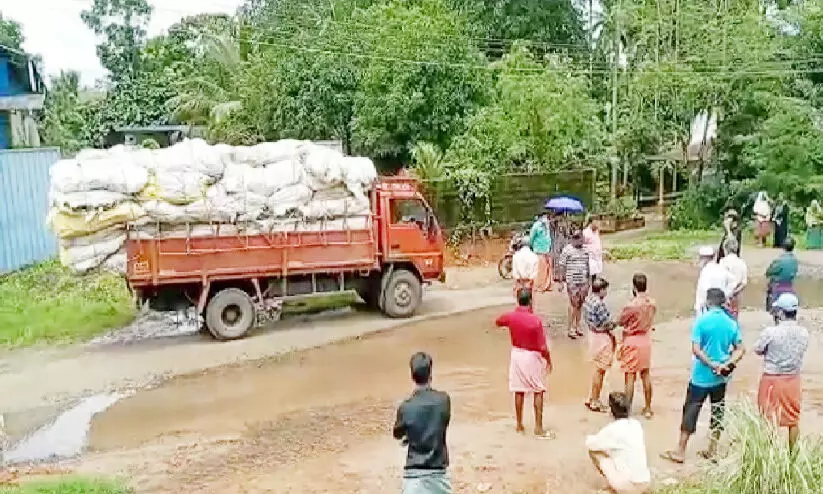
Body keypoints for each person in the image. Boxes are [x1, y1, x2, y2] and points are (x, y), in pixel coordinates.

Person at [661, 288, 745, 464]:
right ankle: (712, 450)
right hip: (721, 378)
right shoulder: (731, 323)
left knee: (691, 410)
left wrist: (711, 364)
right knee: (717, 411)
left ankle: (680, 451)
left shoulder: (702, 321)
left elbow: (696, 349)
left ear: (708, 302)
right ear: (722, 303)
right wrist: (726, 364)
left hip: (701, 376)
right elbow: (741, 349)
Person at [495, 289, 554, 438]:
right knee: (538, 389)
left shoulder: (511, 317)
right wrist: (548, 360)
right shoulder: (535, 321)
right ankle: (538, 428)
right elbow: (542, 347)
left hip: (516, 354)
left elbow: (498, 321)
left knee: (518, 390)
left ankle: (519, 425)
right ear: (531, 301)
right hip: (532, 356)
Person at [754, 293, 809, 451]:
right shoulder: (803, 333)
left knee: (768, 417)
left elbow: (758, 349)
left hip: (771, 378)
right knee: (792, 419)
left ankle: (770, 454)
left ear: (780, 312)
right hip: (792, 378)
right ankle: (792, 454)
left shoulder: (771, 332)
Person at [393, 352, 452, 494]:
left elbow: (397, 434)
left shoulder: (406, 407)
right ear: (430, 374)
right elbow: (443, 423)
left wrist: (409, 436)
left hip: (413, 474)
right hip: (438, 473)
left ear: (412, 376)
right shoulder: (443, 400)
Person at [586, 392, 652, 494]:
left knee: (595, 452)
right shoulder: (636, 424)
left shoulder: (612, 429)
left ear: (611, 410)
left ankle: (617, 486)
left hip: (630, 486)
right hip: (646, 481)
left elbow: (590, 444)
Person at [617, 274, 656, 418]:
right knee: (645, 374)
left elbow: (620, 321)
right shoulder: (652, 303)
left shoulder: (631, 305)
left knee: (630, 376)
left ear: (634, 287)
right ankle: (648, 407)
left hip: (631, 340)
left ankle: (627, 409)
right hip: (645, 340)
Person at [583, 277, 616, 413]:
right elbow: (607, 323)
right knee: (600, 371)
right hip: (602, 337)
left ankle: (592, 397)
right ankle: (595, 400)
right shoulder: (599, 305)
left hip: (593, 335)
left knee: (597, 369)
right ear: (601, 290)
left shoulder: (588, 300)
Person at [559, 231, 591, 339]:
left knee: (580, 304)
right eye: (578, 239)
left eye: (582, 238)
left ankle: (577, 326)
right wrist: (561, 282)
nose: (581, 241)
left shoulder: (586, 250)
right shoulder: (567, 250)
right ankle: (570, 328)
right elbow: (562, 266)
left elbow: (588, 266)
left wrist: (588, 282)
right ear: (574, 239)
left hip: (583, 281)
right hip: (572, 281)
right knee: (573, 304)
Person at [694, 246, 734, 315]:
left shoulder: (705, 271)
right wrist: (726, 295)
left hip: (707, 308)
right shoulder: (721, 268)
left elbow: (704, 291)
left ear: (704, 258)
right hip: (721, 306)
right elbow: (733, 282)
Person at [765, 237, 798, 318]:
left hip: (778, 284)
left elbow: (768, 272)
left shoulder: (779, 259)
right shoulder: (795, 260)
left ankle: (772, 310)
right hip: (789, 283)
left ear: (783, 247)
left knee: (769, 289)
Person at [718, 238, 748, 320]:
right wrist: (735, 292)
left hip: (725, 293)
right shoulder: (741, 262)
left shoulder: (723, 262)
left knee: (725, 316)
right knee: (734, 315)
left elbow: (720, 279)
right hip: (737, 294)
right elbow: (744, 282)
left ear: (725, 249)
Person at [511, 239, 539, 309]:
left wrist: (519, 280)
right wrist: (529, 281)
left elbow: (515, 272)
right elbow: (534, 273)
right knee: (530, 302)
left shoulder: (516, 256)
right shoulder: (534, 256)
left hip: (519, 282)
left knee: (519, 302)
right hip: (529, 282)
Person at [529, 212, 553, 291]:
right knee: (541, 269)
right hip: (539, 250)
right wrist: (532, 246)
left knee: (548, 268)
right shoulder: (536, 226)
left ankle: (547, 285)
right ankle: (539, 285)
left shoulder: (547, 226)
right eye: (544, 216)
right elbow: (531, 237)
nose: (545, 218)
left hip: (547, 249)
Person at [583, 218, 604, 284]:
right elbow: (582, 244)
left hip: (597, 255)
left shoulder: (596, 231)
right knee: (589, 273)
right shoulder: (585, 232)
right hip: (590, 256)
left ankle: (594, 287)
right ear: (591, 223)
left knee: (595, 273)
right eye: (595, 223)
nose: (597, 225)